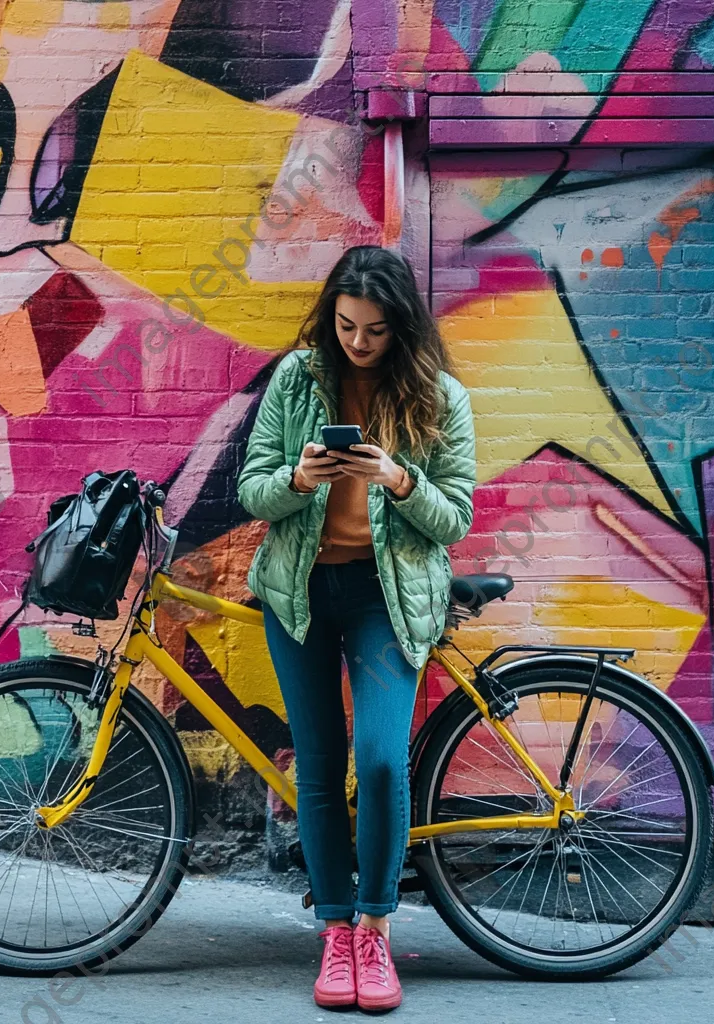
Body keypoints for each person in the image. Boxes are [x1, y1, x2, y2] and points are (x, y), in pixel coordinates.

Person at [236, 245, 476, 1010]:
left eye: (374, 330)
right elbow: (251, 490)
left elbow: (456, 517)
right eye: (345, 326)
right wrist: (299, 480)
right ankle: (335, 933)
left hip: (385, 597)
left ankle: (375, 931)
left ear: (399, 326)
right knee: (317, 763)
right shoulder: (296, 379)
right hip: (299, 594)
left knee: (377, 760)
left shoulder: (438, 398)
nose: (358, 343)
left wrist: (400, 480)